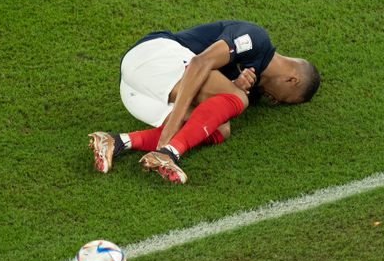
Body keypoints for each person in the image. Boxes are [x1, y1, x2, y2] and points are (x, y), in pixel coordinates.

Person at [89, 20, 320, 183]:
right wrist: (168, 132)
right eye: (284, 100)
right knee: (236, 100)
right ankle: (168, 153)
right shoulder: (255, 39)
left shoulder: (253, 86)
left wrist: (234, 88)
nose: (275, 101)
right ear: (293, 79)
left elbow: (212, 105)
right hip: (150, 57)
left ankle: (117, 141)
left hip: (136, 94)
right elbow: (199, 64)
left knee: (219, 128)